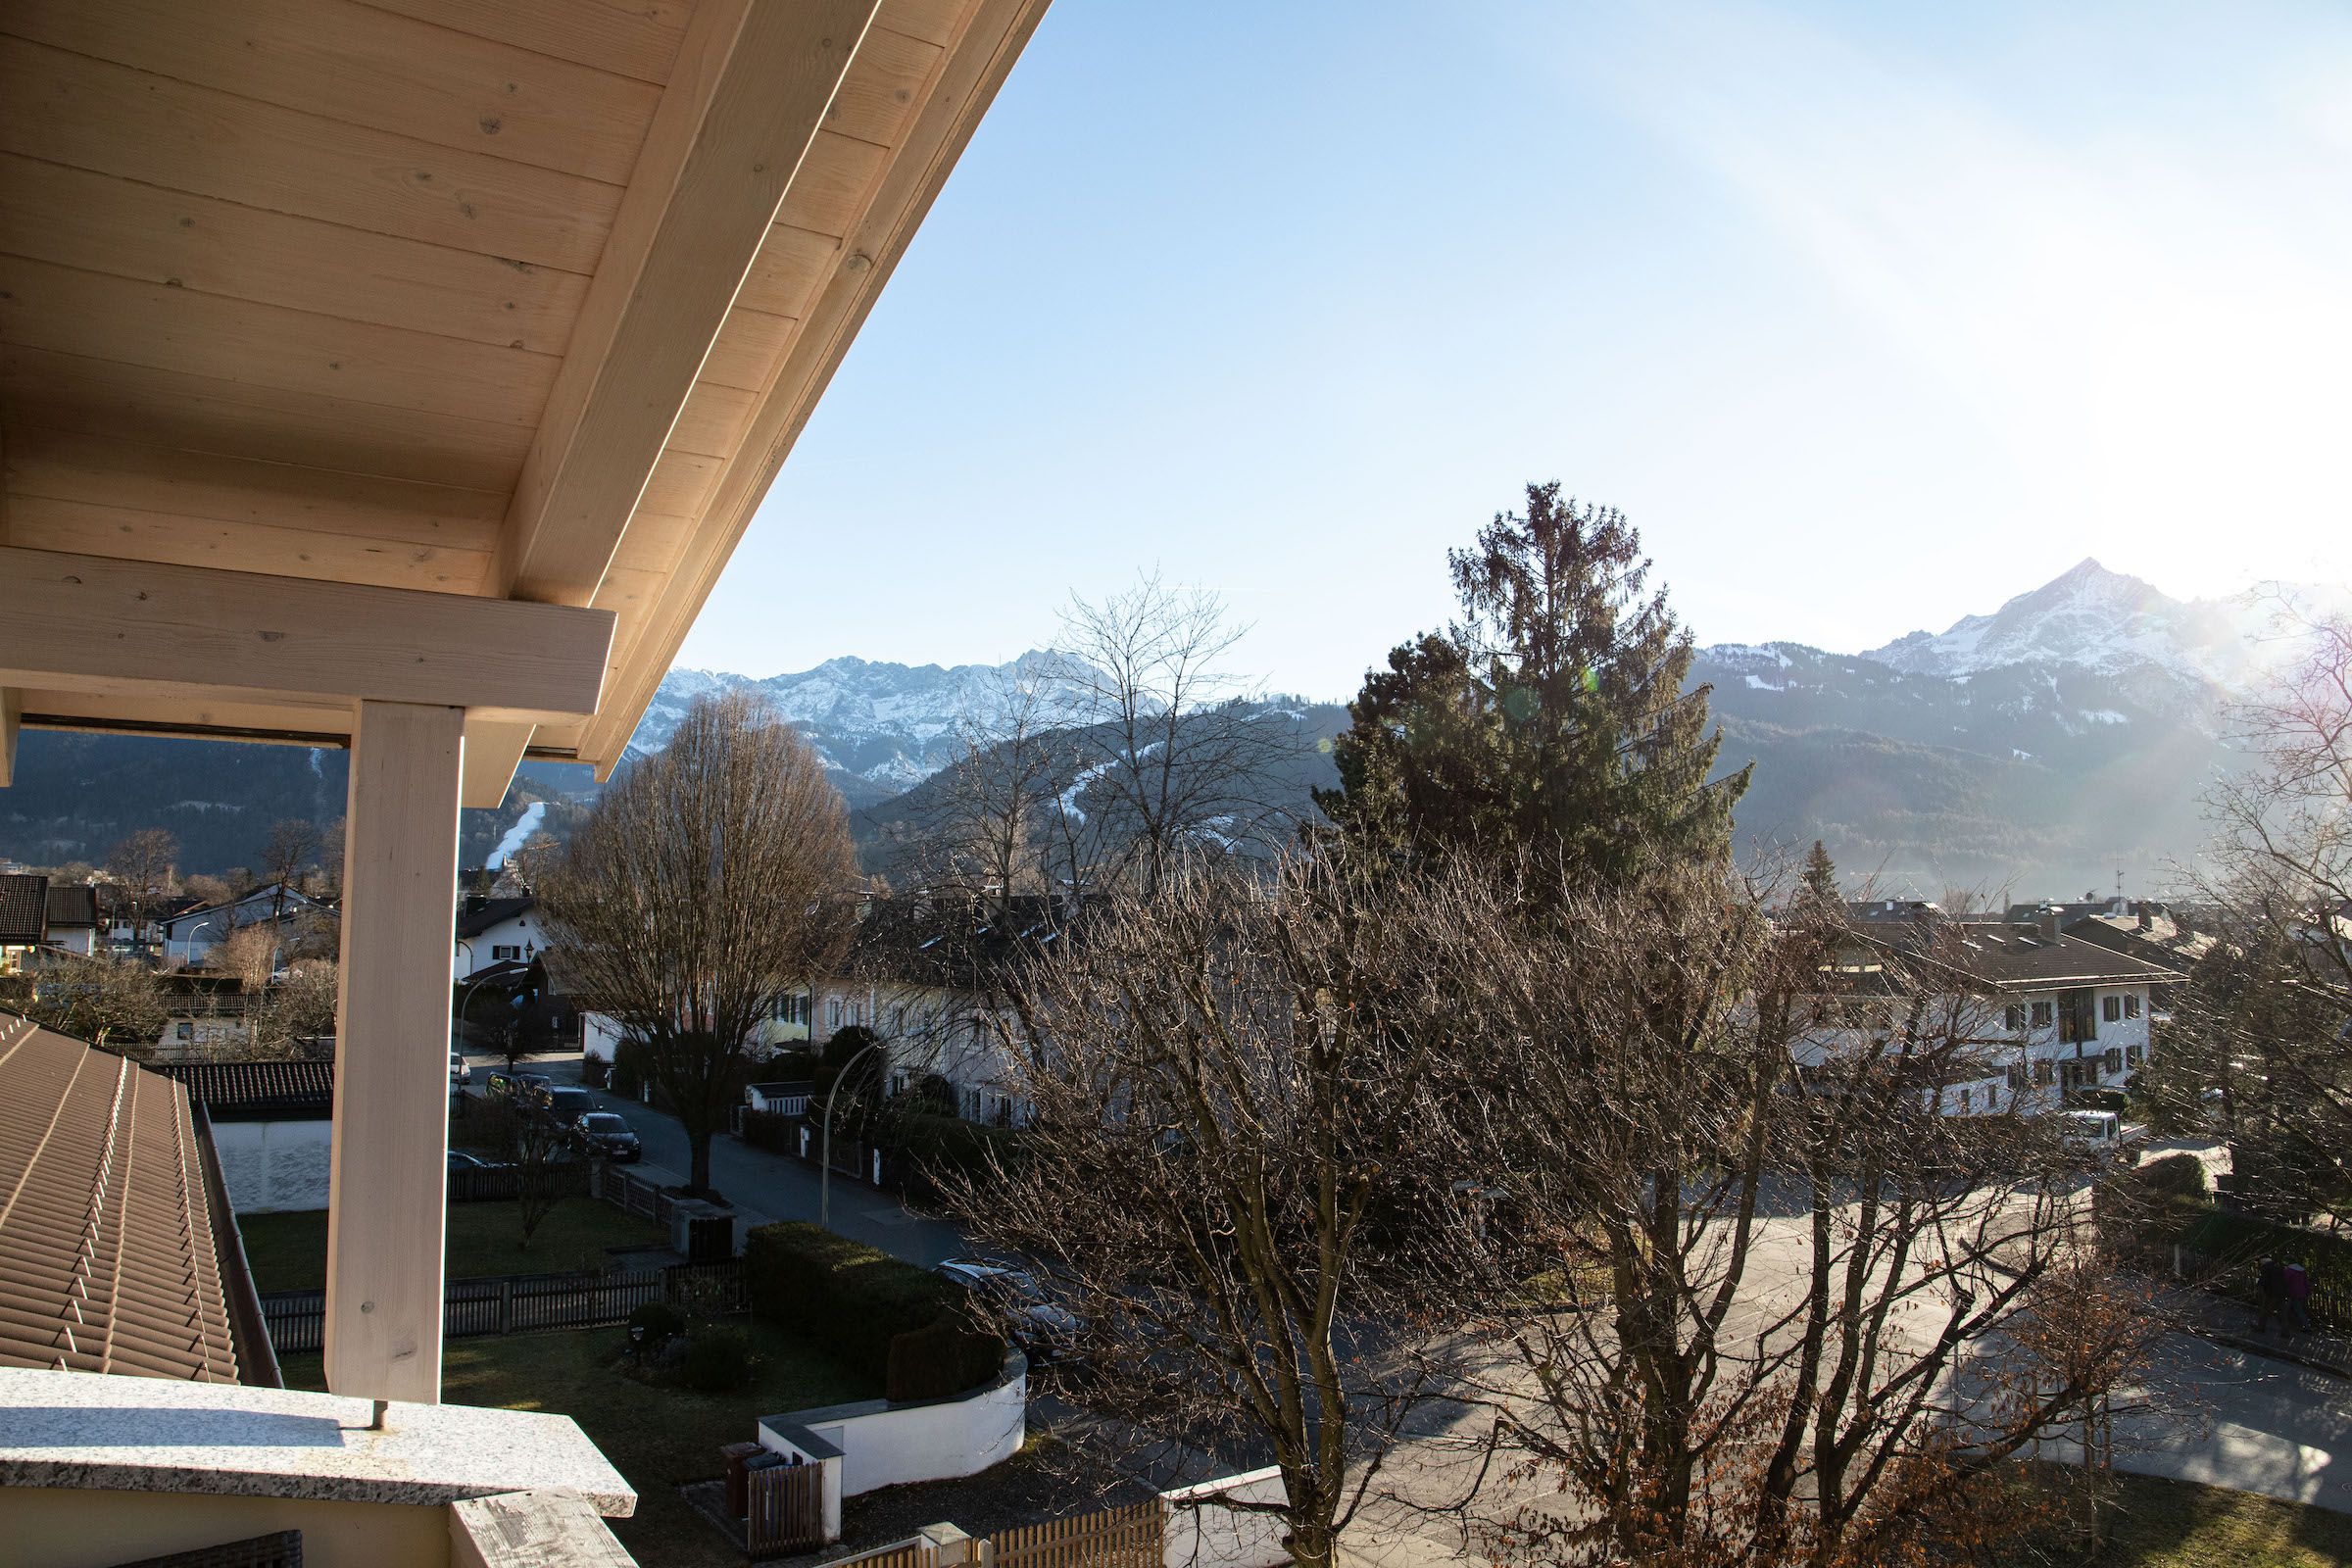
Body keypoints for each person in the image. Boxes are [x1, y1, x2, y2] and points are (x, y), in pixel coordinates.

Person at [2257, 1256, 2286, 1335]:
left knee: (2265, 1310)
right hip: (2282, 1292)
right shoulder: (2278, 1268)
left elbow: (2264, 1282)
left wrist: (2263, 1292)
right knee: (2281, 1312)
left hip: (2272, 1292)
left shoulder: (2266, 1269)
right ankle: (2285, 1331)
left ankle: (2261, 1327)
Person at [2283, 1258, 2313, 1334]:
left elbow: (2285, 1281)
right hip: (2302, 1292)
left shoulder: (2288, 1271)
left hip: (2293, 1292)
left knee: (2297, 1310)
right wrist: (2308, 1292)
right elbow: (2306, 1282)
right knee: (2298, 1308)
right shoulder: (2302, 1271)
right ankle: (2295, 1324)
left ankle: (2307, 1327)